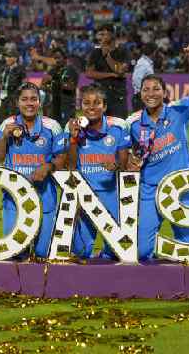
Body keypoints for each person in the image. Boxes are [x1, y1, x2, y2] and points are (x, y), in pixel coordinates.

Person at [128, 43, 189, 260]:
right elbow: (129, 160)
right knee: (141, 252)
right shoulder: (132, 124)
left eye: (156, 89)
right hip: (150, 189)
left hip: (181, 186)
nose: (151, 93)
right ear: (140, 94)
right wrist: (131, 162)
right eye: (146, 89)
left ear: (164, 92)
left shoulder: (179, 110)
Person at [0, 82, 67, 258]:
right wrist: (4, 138)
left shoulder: (52, 126)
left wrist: (48, 166)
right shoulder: (7, 124)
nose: (29, 103)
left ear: (39, 102)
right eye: (24, 99)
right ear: (17, 103)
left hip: (45, 196)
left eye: (34, 99)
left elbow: (62, 158)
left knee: (43, 253)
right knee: (17, 252)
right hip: (14, 198)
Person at [63, 83, 130, 259]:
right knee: (81, 252)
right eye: (86, 103)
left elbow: (124, 161)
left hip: (111, 194)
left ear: (105, 106)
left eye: (96, 102)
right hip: (85, 194)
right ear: (81, 106)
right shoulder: (72, 127)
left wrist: (116, 165)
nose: (91, 107)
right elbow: (70, 166)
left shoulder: (119, 126)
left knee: (117, 251)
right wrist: (73, 138)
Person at [86, 25, 129, 119]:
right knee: (99, 126)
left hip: (118, 96)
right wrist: (110, 74)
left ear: (113, 34)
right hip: (100, 94)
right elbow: (89, 73)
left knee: (119, 125)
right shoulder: (95, 53)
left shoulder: (122, 51)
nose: (102, 37)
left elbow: (120, 70)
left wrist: (107, 57)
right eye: (101, 34)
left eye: (105, 33)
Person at [31, 47, 78, 126]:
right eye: (55, 58)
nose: (57, 60)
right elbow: (44, 83)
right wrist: (48, 86)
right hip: (54, 105)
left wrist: (55, 82)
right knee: (54, 129)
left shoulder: (70, 70)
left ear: (65, 59)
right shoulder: (53, 70)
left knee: (66, 129)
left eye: (59, 58)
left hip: (66, 106)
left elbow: (71, 87)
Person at [0, 47, 26, 121]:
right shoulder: (3, 68)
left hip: (13, 97)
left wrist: (19, 98)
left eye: (10, 56)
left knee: (12, 119)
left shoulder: (20, 69)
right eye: (6, 56)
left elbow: (24, 85)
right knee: (0, 118)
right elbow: (0, 83)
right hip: (2, 97)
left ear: (15, 58)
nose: (7, 58)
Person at [131, 43, 157, 112]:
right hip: (140, 99)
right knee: (141, 121)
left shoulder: (147, 63)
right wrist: (144, 93)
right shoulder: (143, 63)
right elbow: (136, 79)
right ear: (154, 52)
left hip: (144, 97)